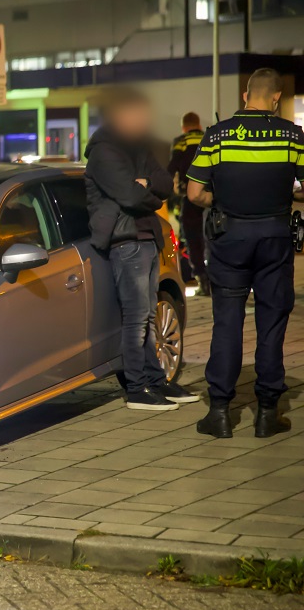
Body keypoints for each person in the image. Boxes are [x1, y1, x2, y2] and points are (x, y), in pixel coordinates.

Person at [187, 68, 304, 438]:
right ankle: (267, 413)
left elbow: (194, 193)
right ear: (275, 98)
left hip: (230, 240)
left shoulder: (217, 135)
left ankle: (220, 413)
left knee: (227, 323)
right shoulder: (291, 135)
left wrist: (220, 200)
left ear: (245, 95)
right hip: (274, 238)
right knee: (271, 323)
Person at [85, 87, 200, 411]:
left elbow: (165, 184)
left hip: (147, 236)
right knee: (136, 318)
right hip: (126, 240)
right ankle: (136, 388)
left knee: (148, 316)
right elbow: (131, 198)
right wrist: (146, 191)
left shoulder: (137, 148)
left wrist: (146, 185)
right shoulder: (104, 152)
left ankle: (156, 381)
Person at [168, 112, 208, 295]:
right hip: (211, 196)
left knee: (192, 238)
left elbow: (173, 167)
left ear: (184, 127)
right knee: (213, 236)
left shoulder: (181, 141)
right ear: (198, 125)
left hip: (190, 196)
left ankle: (202, 278)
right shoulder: (209, 136)